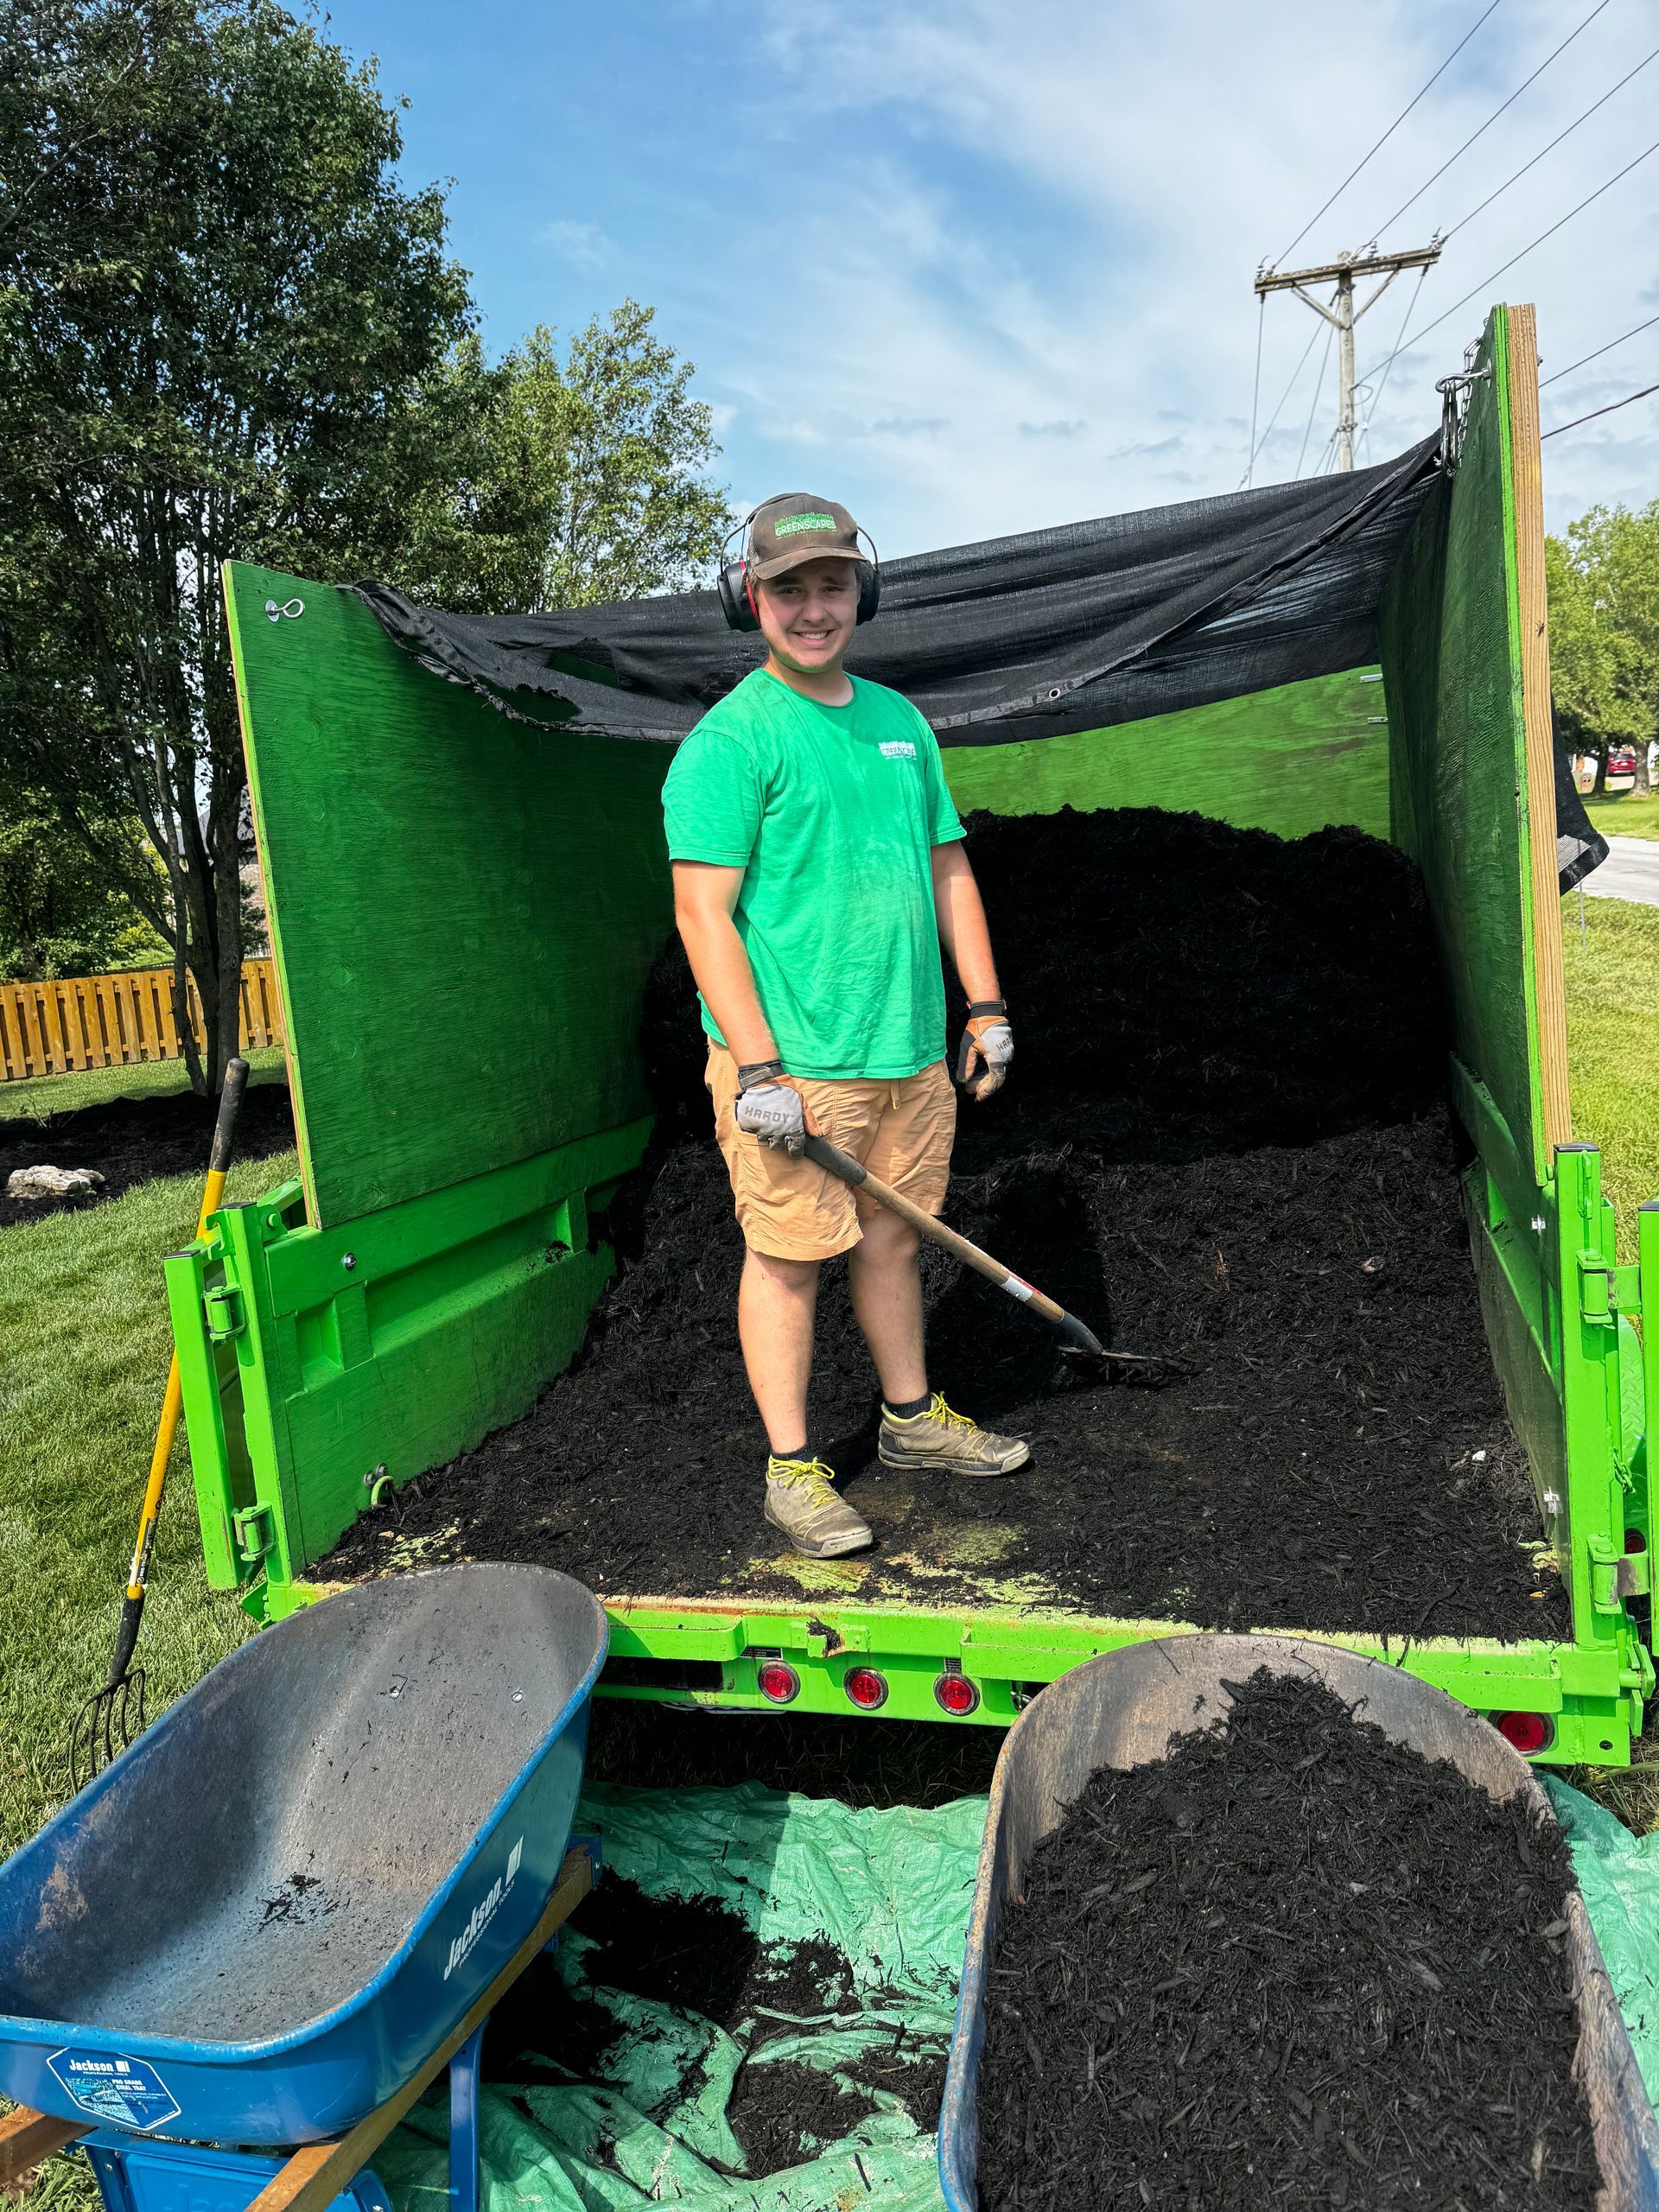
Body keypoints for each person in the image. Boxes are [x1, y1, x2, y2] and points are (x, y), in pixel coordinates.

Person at [662, 492, 1028, 1560]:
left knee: (890, 1241)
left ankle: (911, 1424)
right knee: (785, 1257)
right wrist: (759, 1066)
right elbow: (702, 913)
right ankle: (791, 1469)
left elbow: (947, 864)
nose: (813, 609)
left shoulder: (901, 725)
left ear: (861, 592)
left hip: (908, 1051)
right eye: (790, 589)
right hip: (796, 1066)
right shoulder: (731, 743)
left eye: (832, 585)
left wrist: (988, 1003)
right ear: (753, 598)